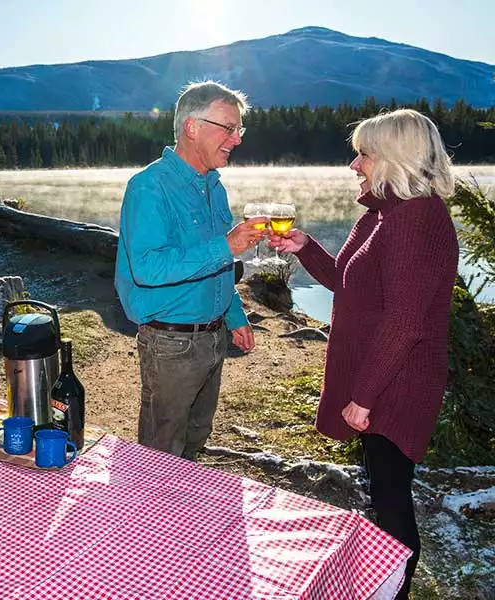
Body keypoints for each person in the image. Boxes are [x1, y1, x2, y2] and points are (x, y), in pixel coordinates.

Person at [268, 108, 458, 599]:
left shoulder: (415, 219)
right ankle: (386, 583)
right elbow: (348, 285)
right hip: (384, 374)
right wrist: (306, 248)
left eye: (365, 154)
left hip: (400, 383)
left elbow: (406, 322)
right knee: (383, 487)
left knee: (391, 496)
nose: (355, 164)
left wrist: (365, 397)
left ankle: (394, 590)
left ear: (395, 157)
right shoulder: (382, 214)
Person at [115, 81, 267, 460]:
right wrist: (227, 245)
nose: (237, 139)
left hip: (213, 337)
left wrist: (234, 314)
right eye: (228, 128)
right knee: (162, 453)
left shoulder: (214, 187)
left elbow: (216, 264)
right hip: (171, 344)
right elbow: (148, 268)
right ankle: (150, 516)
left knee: (197, 438)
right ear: (192, 127)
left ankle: (184, 517)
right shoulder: (149, 187)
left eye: (239, 129)